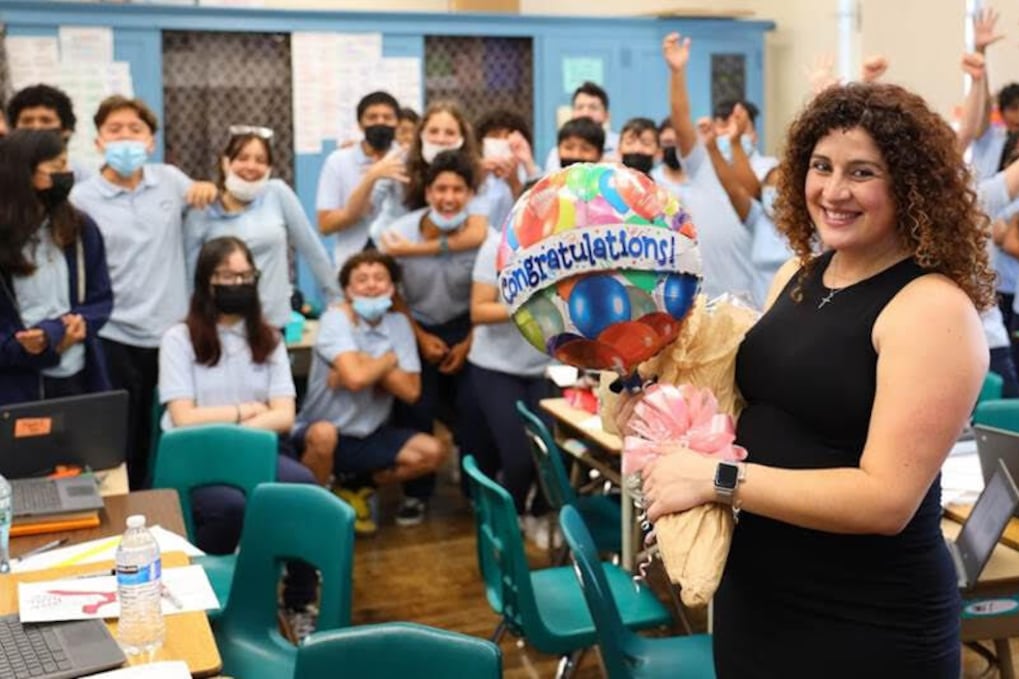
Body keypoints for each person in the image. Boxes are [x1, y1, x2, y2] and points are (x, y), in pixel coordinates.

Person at [640, 34, 993, 678]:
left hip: (865, 622)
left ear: (912, 187)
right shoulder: (800, 274)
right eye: (821, 166)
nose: (834, 190)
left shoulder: (931, 308)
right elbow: (753, 404)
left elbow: (886, 501)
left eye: (863, 172)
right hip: (759, 602)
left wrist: (716, 480)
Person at [158, 235, 319, 638]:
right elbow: (182, 416)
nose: (238, 283)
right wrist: (243, 411)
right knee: (229, 506)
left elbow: (284, 414)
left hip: (258, 449)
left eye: (246, 274)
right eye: (227, 275)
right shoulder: (179, 339)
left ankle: (299, 599)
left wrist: (234, 436)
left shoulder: (269, 338)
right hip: (197, 460)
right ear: (206, 282)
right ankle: (207, 601)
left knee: (302, 490)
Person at [70, 95, 217, 489]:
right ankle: (128, 513)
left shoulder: (169, 179)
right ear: (98, 140)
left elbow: (203, 199)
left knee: (169, 430)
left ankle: (169, 507)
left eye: (135, 130)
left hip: (170, 332)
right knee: (121, 437)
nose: (125, 138)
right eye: (114, 130)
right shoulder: (81, 198)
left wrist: (204, 187)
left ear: (151, 141)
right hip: (112, 333)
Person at [295, 250, 446, 535]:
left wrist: (366, 367)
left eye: (379, 278)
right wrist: (389, 360)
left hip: (371, 433)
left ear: (392, 288)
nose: (372, 284)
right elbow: (355, 379)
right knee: (323, 435)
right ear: (348, 290)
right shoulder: (335, 319)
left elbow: (411, 391)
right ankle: (313, 516)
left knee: (432, 452)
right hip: (324, 432)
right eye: (362, 279)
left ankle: (355, 488)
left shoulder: (399, 324)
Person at [376, 150, 488, 524]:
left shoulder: (481, 235)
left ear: (470, 195)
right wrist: (419, 336)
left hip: (468, 326)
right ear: (427, 193)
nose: (449, 197)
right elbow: (389, 292)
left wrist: (469, 340)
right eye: (441, 188)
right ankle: (417, 495)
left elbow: (491, 293)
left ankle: (476, 493)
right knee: (416, 407)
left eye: (458, 189)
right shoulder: (399, 233)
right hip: (414, 325)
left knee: (474, 408)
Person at [0, 129, 112, 406]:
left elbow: (101, 299)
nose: (67, 174)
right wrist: (30, 347)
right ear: (23, 172)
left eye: (66, 164)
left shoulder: (80, 227)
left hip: (77, 375)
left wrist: (64, 330)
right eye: (56, 167)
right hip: (15, 386)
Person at [186, 127, 339, 329]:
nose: (251, 166)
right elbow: (190, 273)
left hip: (272, 324)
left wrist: (337, 300)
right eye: (243, 158)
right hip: (221, 326)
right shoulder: (203, 208)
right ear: (226, 162)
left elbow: (313, 250)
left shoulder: (277, 193)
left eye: (261, 160)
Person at [656, 36, 759, 306]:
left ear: (754, 135)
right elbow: (681, 124)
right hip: (699, 302)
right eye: (724, 124)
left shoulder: (764, 173)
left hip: (747, 303)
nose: (730, 131)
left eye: (739, 125)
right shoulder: (704, 164)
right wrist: (677, 73)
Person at [467, 228, 554, 545]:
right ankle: (510, 516)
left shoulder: (570, 245)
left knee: (552, 452)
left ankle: (539, 513)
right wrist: (528, 306)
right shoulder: (497, 246)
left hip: (546, 367)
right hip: (496, 366)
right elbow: (478, 310)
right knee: (517, 456)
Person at [366, 101, 489, 256]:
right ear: (421, 134)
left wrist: (413, 249)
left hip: (436, 254)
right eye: (433, 131)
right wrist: (371, 177)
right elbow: (367, 209)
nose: (441, 139)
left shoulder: (475, 170)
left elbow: (477, 233)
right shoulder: (398, 161)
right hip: (389, 250)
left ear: (462, 138)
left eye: (450, 133)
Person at [316, 91, 407, 270]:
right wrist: (372, 177)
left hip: (402, 262)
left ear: (397, 123)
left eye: (387, 117)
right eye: (372, 117)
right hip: (352, 266)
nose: (380, 122)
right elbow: (326, 224)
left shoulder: (410, 159)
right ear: (360, 124)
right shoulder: (338, 161)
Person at [7, 84, 91, 182]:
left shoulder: (79, 175)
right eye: (27, 121)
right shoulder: (5, 170)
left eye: (46, 120)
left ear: (65, 130)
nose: (36, 127)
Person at [544, 81, 618, 171]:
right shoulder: (557, 153)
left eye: (593, 108)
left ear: (606, 115)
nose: (585, 113)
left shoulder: (620, 146)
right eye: (580, 107)